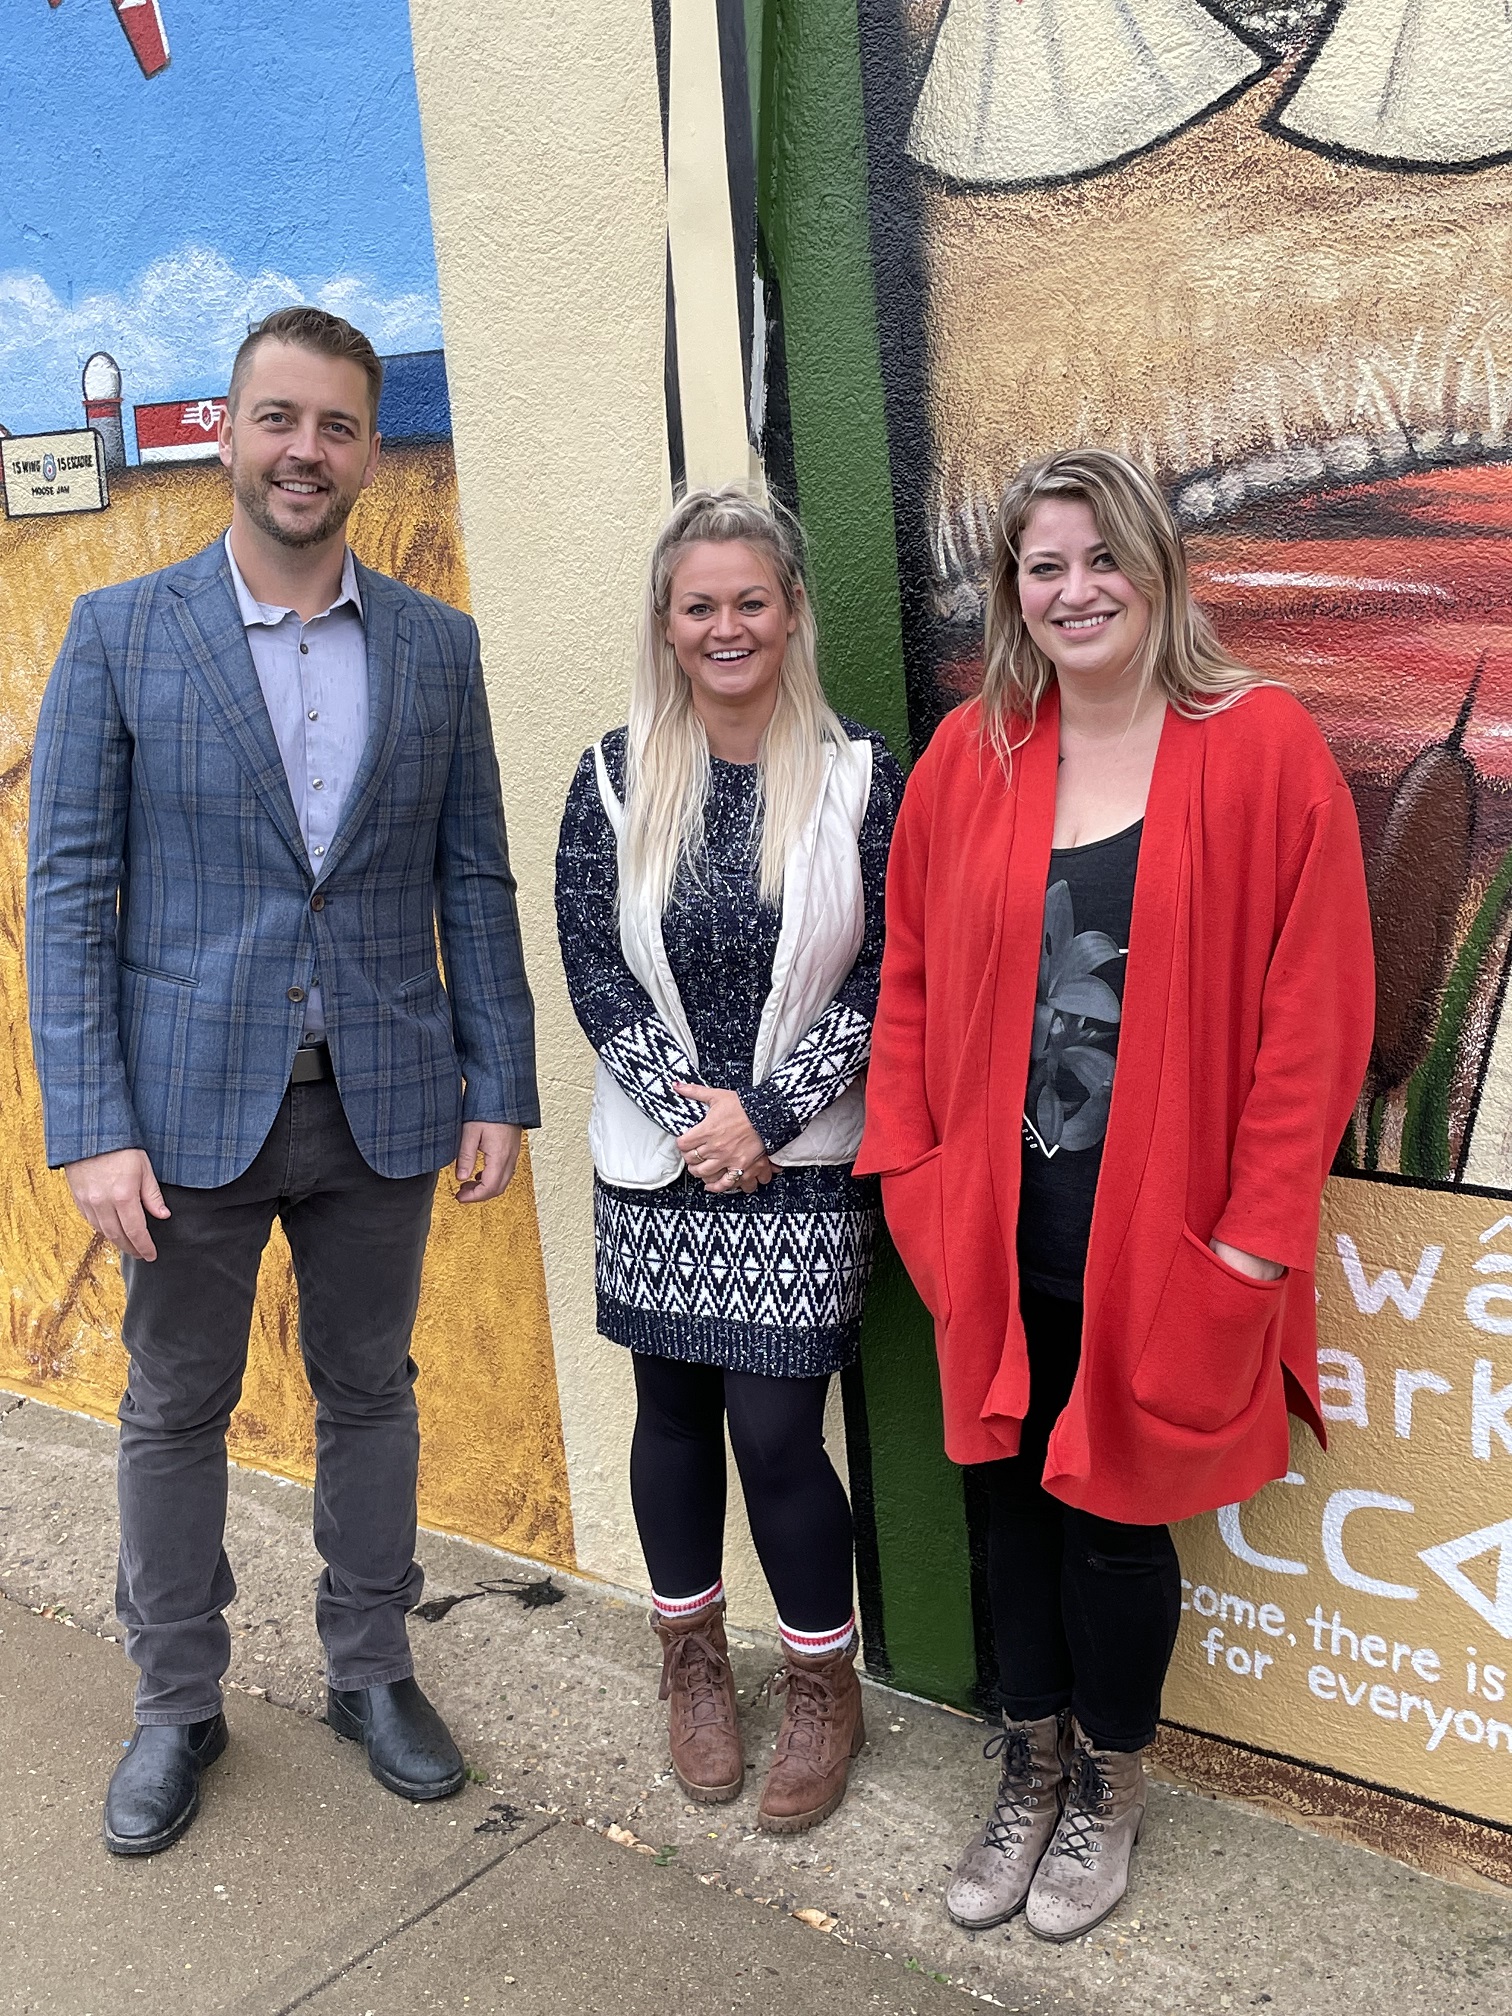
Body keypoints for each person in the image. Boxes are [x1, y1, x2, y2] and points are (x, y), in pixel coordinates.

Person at [27, 306, 538, 1856]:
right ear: (227, 435)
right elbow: (67, 893)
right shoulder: (122, 632)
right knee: (176, 1404)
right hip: (182, 1109)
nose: (303, 450)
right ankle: (177, 1700)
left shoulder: (437, 647)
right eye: (277, 418)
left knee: (371, 1390)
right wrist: (94, 1126)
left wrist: (498, 1077)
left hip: (386, 1089)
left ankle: (370, 1668)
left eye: (334, 425)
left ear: (367, 449)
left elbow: (476, 875)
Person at [856, 449, 1372, 1939]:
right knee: (1007, 1504)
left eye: (1099, 559)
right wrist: (911, 1174)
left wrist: (1260, 1236)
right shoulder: (974, 755)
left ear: (1155, 569)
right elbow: (909, 980)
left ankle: (1109, 1790)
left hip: (1173, 1235)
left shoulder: (1261, 746)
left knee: (1115, 1520)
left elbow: (1316, 1015)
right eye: (1042, 566)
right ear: (1014, 592)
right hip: (993, 1227)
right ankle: (1029, 1765)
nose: (1074, 590)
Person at [555, 487, 904, 1833]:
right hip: (657, 1164)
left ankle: (823, 1685)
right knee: (675, 1415)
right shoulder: (613, 775)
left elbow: (891, 974)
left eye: (750, 599)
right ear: (667, 621)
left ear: (792, 610)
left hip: (802, 1161)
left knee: (777, 1430)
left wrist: (767, 1111)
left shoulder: (864, 774)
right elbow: (593, 968)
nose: (726, 626)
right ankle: (691, 1663)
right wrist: (697, 1119)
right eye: (699, 605)